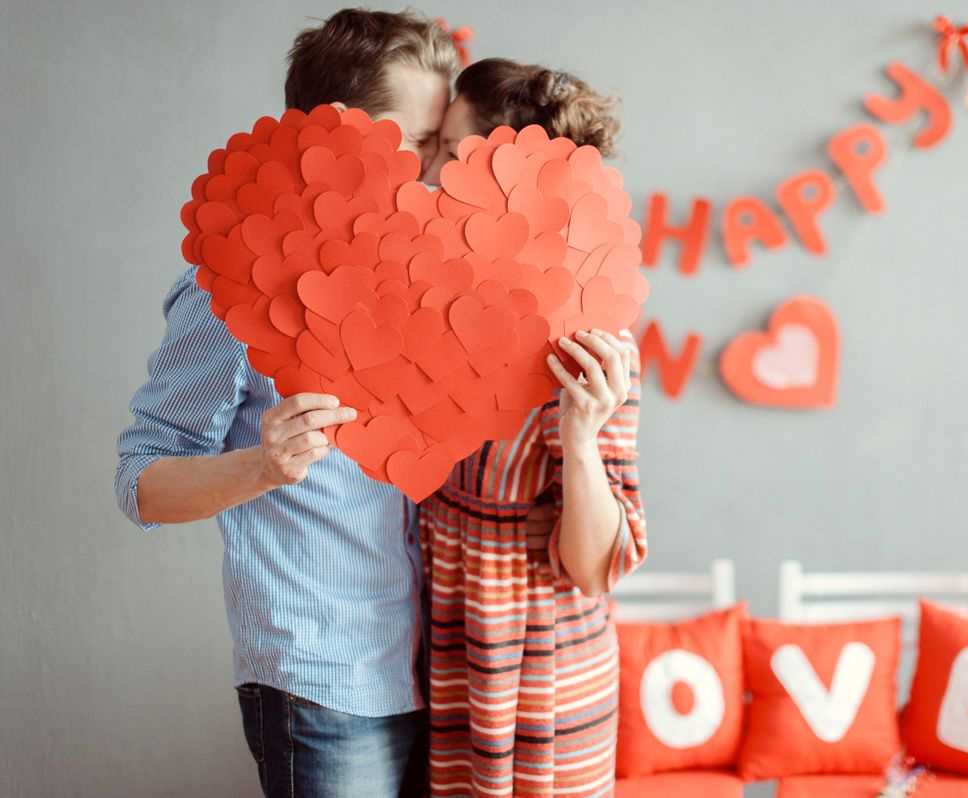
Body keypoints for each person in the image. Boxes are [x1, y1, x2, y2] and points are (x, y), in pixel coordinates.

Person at [114, 9, 456, 797]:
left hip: (429, 673)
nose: (435, 172)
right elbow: (140, 484)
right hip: (318, 679)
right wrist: (265, 466)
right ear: (332, 136)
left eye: (440, 149)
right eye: (415, 144)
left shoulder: (415, 278)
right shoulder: (232, 284)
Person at [420, 59, 647, 798]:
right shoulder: (430, 299)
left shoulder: (590, 333)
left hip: (544, 674)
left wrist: (580, 439)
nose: (430, 172)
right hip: (436, 652)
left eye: (449, 153)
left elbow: (592, 567)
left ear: (502, 175)